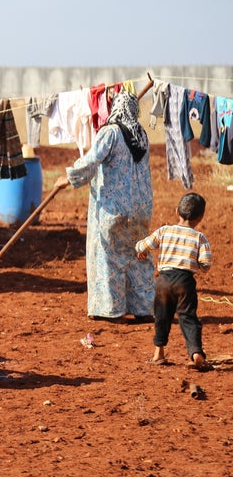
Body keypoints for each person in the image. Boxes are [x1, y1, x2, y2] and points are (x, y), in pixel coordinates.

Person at [54, 90, 154, 324]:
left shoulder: (110, 133)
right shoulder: (142, 135)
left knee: (110, 257)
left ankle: (112, 309)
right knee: (138, 255)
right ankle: (144, 309)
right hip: (141, 209)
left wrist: (68, 178)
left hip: (113, 208)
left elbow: (91, 160)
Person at [136, 192, 213, 370]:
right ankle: (196, 353)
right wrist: (198, 264)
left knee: (161, 316)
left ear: (176, 211)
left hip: (163, 281)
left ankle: (158, 353)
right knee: (188, 317)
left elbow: (142, 246)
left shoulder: (164, 231)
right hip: (185, 282)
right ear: (200, 217)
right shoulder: (200, 238)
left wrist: (142, 250)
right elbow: (206, 264)